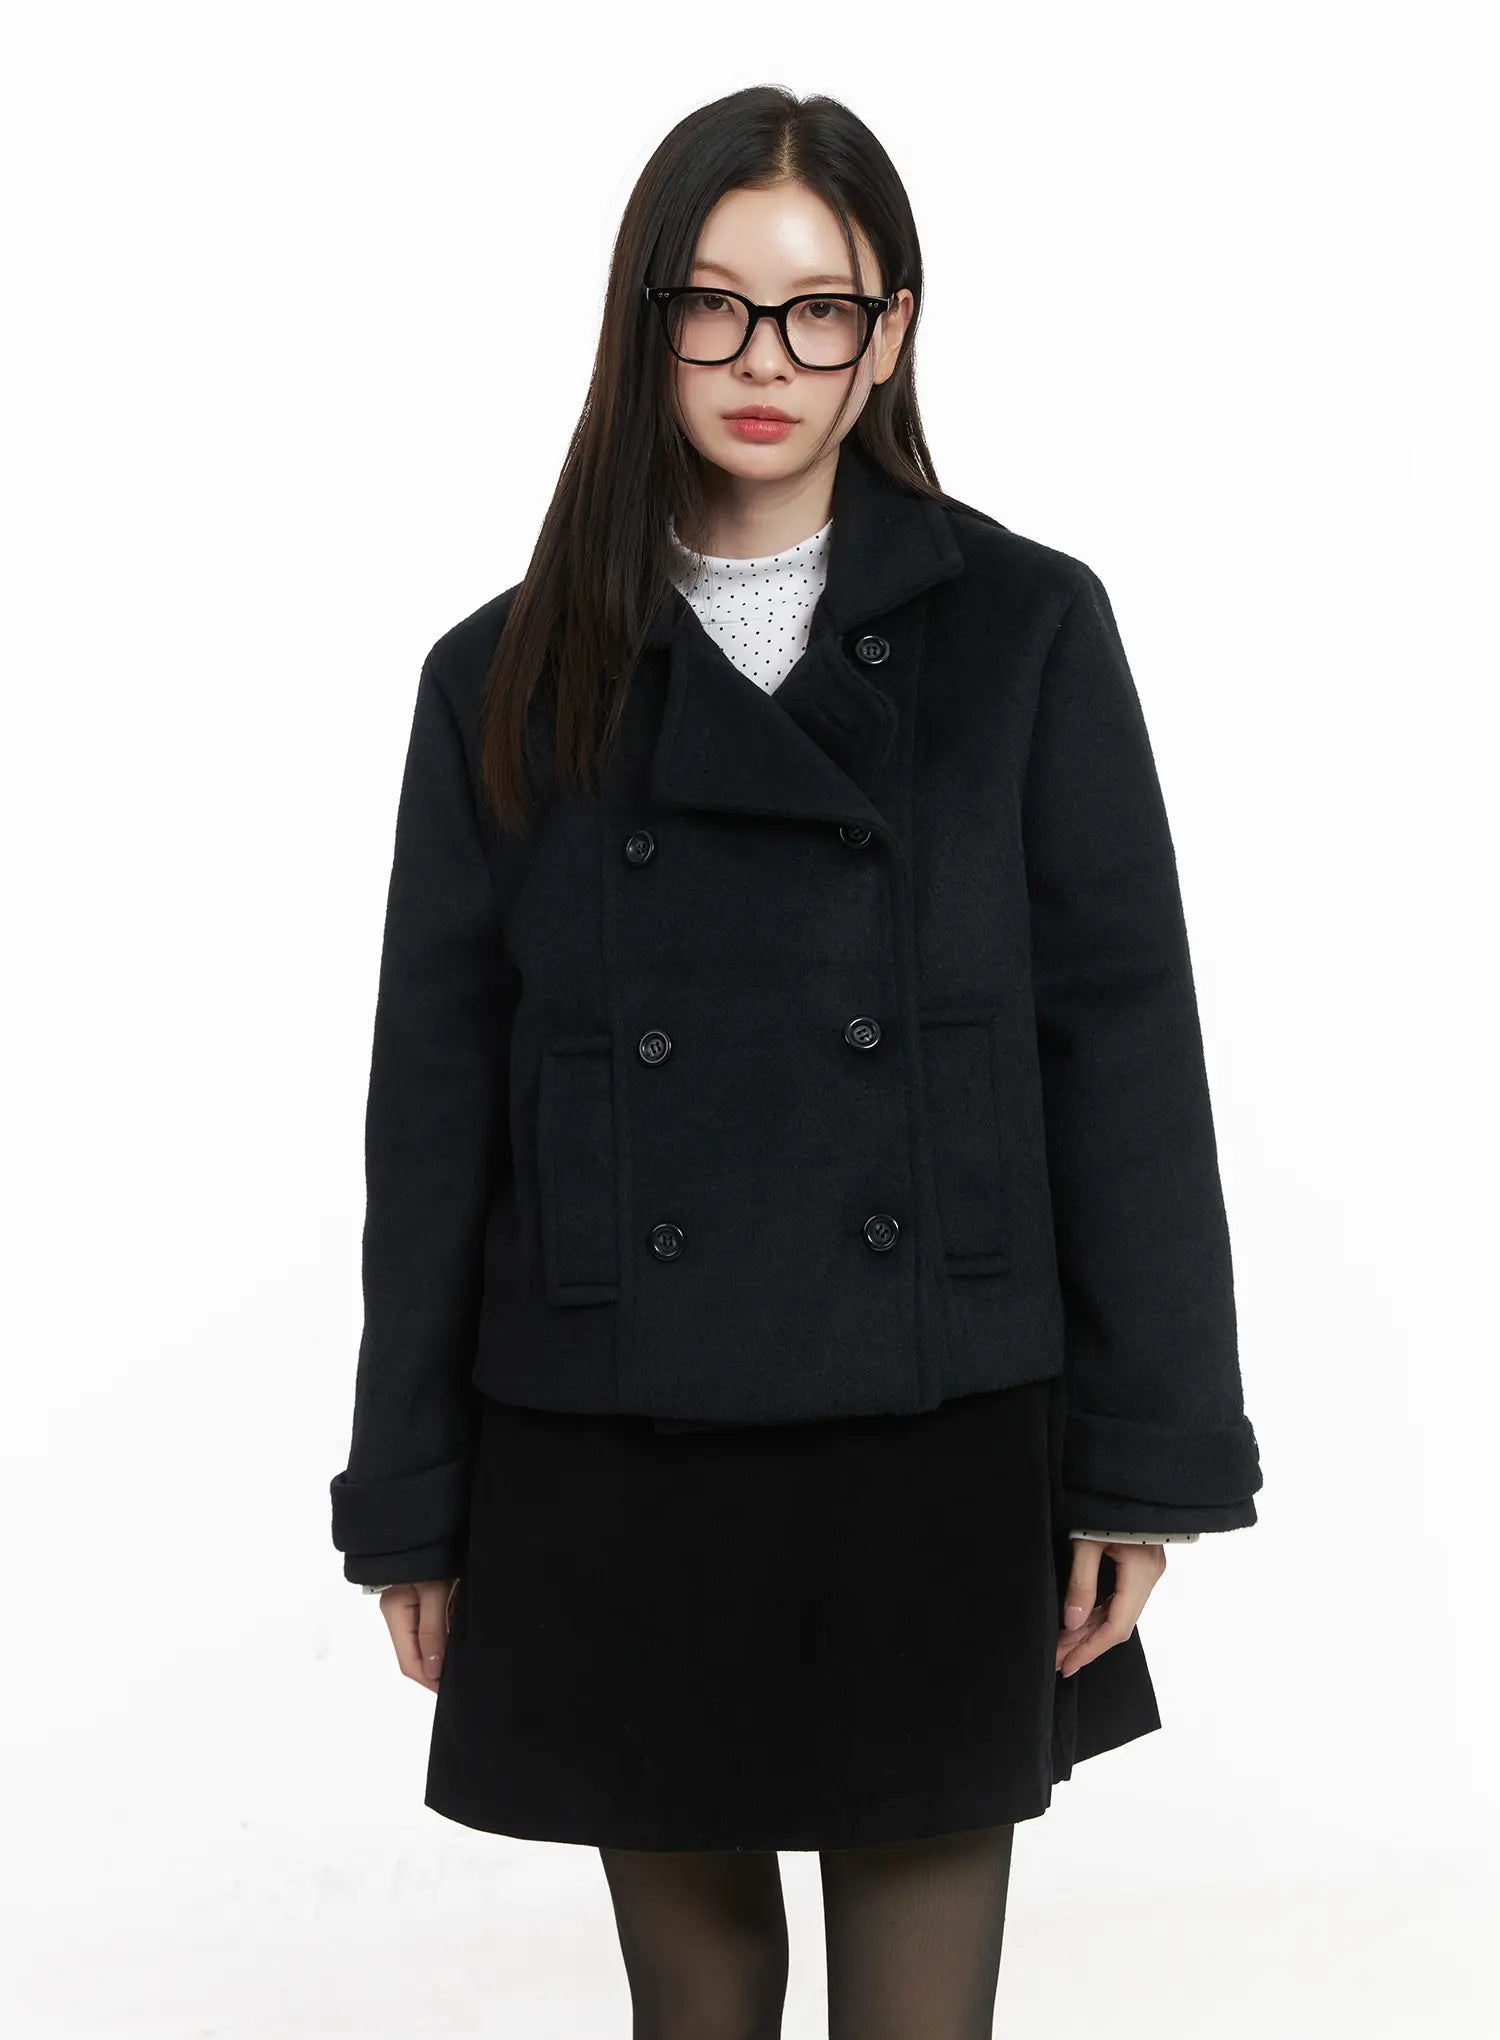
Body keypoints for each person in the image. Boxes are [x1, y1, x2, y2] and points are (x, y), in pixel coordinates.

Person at [328, 84, 1263, 2039]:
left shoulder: (1024, 632)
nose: (767, 359)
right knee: (699, 2009)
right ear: (646, 321)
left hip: (935, 1429)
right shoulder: (502, 676)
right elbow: (434, 1114)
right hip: (612, 1438)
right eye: (717, 304)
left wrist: (1145, 1459)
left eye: (819, 308)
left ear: (889, 332)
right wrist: (413, 1497)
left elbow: (1122, 1051)